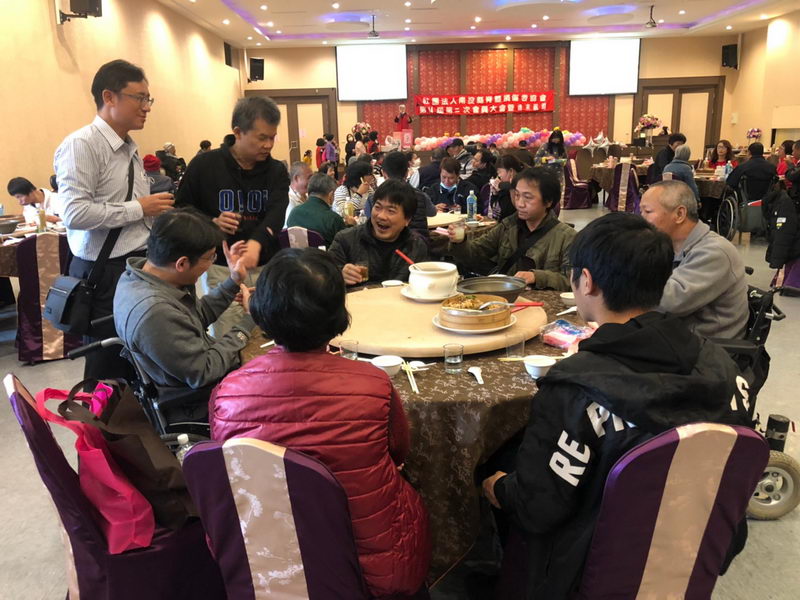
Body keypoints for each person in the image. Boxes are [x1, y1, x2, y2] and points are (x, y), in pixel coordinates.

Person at [481, 212, 750, 600]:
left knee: (495, 464)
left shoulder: (576, 386)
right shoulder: (722, 365)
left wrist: (498, 485)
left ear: (586, 281)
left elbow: (537, 508)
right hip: (697, 547)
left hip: (592, 571)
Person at [210, 247, 431, 597]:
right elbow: (399, 452)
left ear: (261, 311)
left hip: (270, 562)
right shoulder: (373, 383)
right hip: (369, 565)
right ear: (338, 313)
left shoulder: (228, 393)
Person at [54, 59, 175, 381]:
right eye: (139, 98)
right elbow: (74, 213)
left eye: (149, 98)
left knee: (137, 359)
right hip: (104, 272)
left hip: (136, 264)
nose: (147, 107)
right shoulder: (82, 145)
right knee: (106, 366)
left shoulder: (128, 146)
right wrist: (140, 208)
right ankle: (100, 415)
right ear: (109, 97)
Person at [114, 208, 255, 420]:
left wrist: (233, 281)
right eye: (210, 258)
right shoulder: (154, 311)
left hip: (196, 380)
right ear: (181, 263)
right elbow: (204, 371)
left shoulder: (138, 276)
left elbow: (194, 318)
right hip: (196, 403)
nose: (211, 263)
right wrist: (249, 320)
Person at [176, 95, 289, 337]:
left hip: (265, 267)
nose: (268, 145)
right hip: (220, 268)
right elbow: (181, 210)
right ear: (238, 132)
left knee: (268, 334)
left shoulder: (276, 170)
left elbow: (277, 213)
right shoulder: (204, 165)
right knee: (227, 335)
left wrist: (257, 243)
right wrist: (211, 223)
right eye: (262, 137)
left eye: (272, 137)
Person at [640, 180, 748, 338]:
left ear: (679, 214)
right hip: (677, 333)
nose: (641, 218)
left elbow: (668, 303)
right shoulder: (671, 245)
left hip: (704, 346)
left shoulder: (714, 252)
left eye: (648, 211)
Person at [447, 167, 576, 290]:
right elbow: (475, 254)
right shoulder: (508, 226)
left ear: (548, 201)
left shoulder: (567, 237)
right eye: (517, 195)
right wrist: (460, 242)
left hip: (544, 303)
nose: (520, 204)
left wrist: (537, 277)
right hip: (506, 299)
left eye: (528, 197)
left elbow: (574, 282)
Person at [329, 179, 428, 285]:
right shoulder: (345, 240)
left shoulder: (416, 246)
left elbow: (423, 285)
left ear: (407, 219)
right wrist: (340, 276)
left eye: (391, 211)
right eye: (377, 207)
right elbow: (324, 279)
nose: (381, 216)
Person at [366, 151, 435, 240]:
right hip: (421, 243)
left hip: (387, 245)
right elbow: (433, 212)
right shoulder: (420, 195)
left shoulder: (374, 198)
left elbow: (369, 223)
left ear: (384, 173)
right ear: (407, 173)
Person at [286, 173, 346, 246]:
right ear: (330, 195)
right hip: (324, 253)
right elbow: (346, 246)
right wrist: (350, 226)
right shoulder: (333, 219)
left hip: (296, 253)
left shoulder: (293, 213)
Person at [488, 154, 525, 221]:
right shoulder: (503, 186)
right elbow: (495, 211)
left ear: (511, 171)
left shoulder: (520, 187)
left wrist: (501, 190)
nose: (498, 176)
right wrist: (495, 194)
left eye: (500, 172)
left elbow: (506, 212)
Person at [283, 161, 313, 225]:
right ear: (296, 178)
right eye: (309, 177)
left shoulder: (307, 196)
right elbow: (291, 228)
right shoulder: (288, 201)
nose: (312, 181)